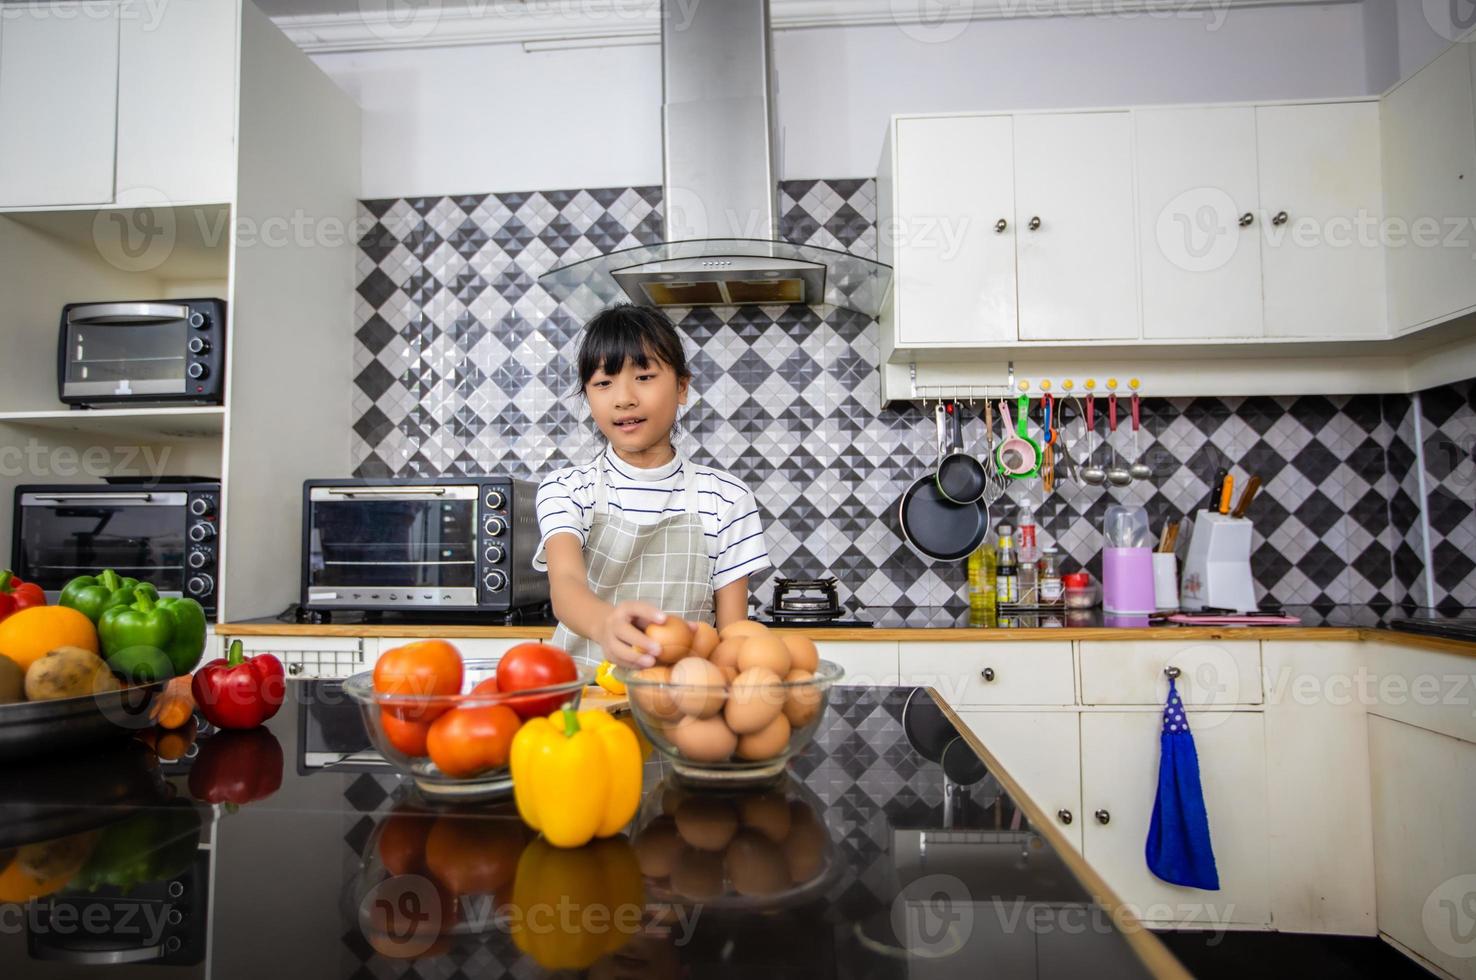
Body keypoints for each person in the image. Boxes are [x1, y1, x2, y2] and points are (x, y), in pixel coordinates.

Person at [534, 305, 771, 668]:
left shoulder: (728, 499)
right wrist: (605, 624)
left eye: (644, 376)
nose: (624, 397)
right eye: (603, 383)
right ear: (587, 395)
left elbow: (732, 635)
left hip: (682, 702)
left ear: (681, 387)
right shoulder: (566, 489)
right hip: (585, 700)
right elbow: (565, 586)